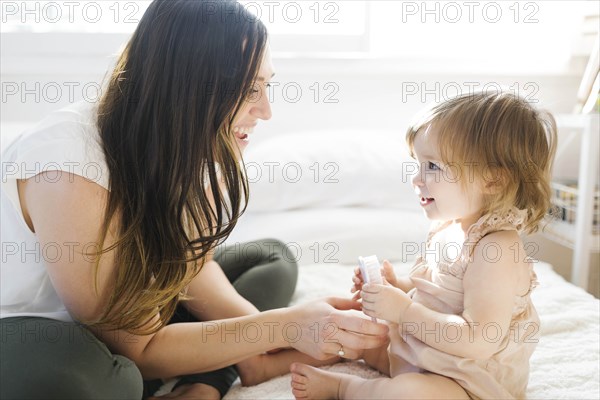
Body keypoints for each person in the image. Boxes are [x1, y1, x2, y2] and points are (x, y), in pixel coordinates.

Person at [0, 1, 389, 399]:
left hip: (132, 318)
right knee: (108, 381)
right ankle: (212, 370)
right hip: (35, 328)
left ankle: (213, 373)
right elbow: (138, 348)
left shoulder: (190, 146)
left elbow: (188, 264)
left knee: (272, 259)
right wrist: (283, 326)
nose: (266, 111)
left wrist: (267, 339)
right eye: (251, 89)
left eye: (267, 86)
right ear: (186, 85)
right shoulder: (68, 166)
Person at [290, 91, 557, 399]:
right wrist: (396, 286)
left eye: (432, 166)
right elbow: (436, 294)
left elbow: (479, 339)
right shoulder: (448, 227)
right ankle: (275, 361)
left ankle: (345, 387)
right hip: (432, 352)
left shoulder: (496, 249)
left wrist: (403, 311)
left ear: (492, 180)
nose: (417, 179)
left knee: (408, 393)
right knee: (360, 331)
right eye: (417, 164)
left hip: (471, 382)